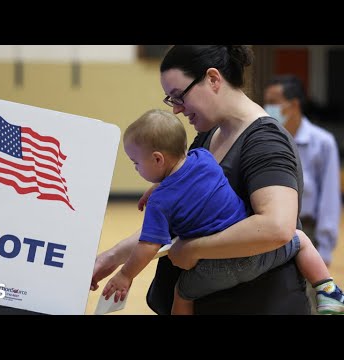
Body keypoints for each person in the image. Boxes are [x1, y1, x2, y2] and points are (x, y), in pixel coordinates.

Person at [91, 45, 311, 315]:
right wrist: (110, 259)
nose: (176, 110)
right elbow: (171, 219)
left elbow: (276, 227)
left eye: (179, 96)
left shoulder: (265, 140)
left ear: (213, 79)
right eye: (171, 100)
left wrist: (193, 249)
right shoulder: (209, 135)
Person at [101, 109, 344, 315]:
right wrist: (158, 186)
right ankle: (328, 291)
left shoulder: (161, 203)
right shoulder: (205, 158)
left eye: (135, 162)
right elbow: (185, 178)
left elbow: (148, 246)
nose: (135, 168)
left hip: (214, 268)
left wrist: (125, 275)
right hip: (255, 250)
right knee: (300, 239)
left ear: (157, 159)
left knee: (182, 292)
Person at [263, 74, 342, 314]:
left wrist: (325, 248)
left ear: (294, 105)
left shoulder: (322, 142)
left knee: (311, 300)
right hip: (271, 232)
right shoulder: (267, 139)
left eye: (273, 102)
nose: (269, 109)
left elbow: (329, 199)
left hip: (308, 233)